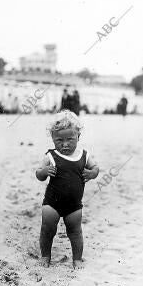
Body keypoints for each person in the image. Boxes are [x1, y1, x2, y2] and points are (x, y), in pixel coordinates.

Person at [35, 110, 99, 269]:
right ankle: (45, 256)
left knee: (75, 233)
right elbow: (39, 174)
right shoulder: (51, 156)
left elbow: (95, 168)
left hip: (74, 206)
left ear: (78, 136)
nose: (64, 144)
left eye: (70, 139)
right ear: (52, 139)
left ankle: (77, 259)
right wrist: (44, 172)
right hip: (52, 204)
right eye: (59, 140)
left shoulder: (84, 155)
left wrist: (92, 173)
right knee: (47, 230)